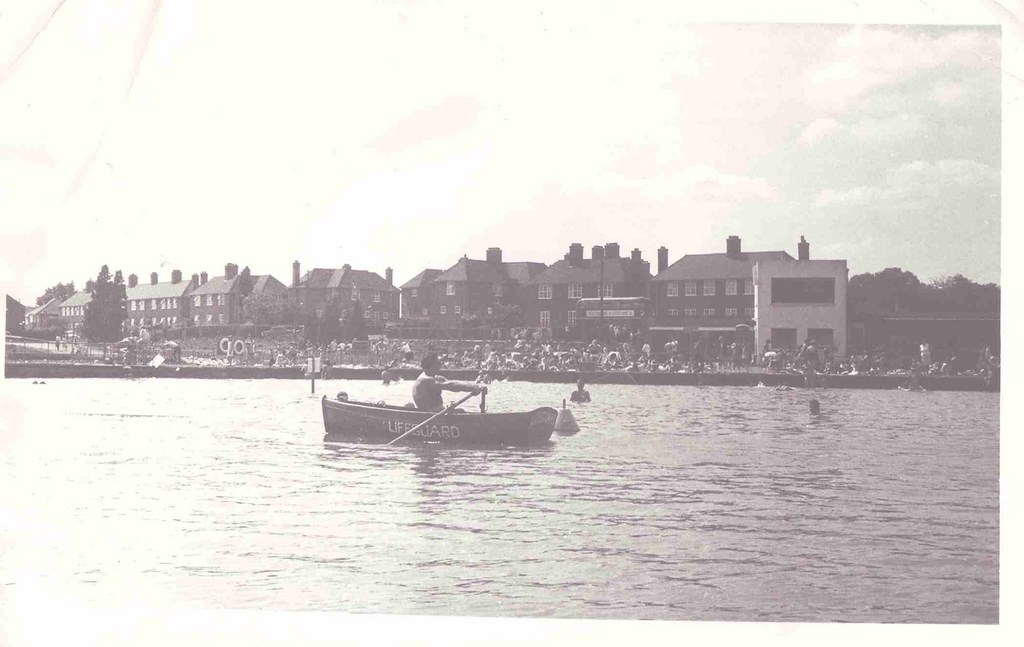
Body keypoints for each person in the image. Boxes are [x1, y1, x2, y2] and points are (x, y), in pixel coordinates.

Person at [412, 353, 486, 412]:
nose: (440, 364)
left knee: (460, 411)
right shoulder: (425, 380)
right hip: (431, 415)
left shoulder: (435, 377)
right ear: (431, 365)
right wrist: (472, 388)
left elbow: (452, 382)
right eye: (438, 363)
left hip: (438, 413)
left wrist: (476, 386)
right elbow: (451, 386)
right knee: (461, 412)